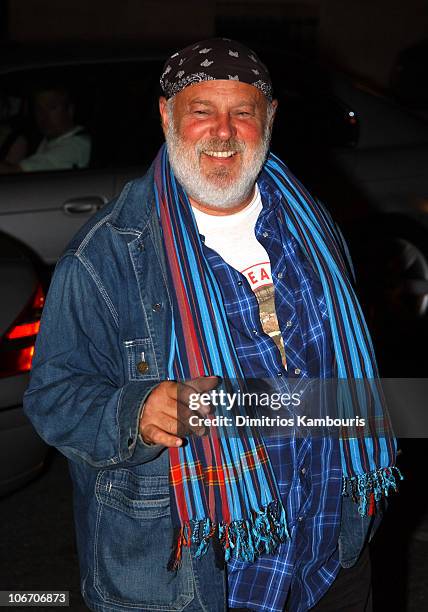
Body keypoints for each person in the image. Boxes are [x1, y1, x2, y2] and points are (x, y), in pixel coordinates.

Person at [23, 39, 400, 612]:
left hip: (331, 553)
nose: (222, 132)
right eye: (201, 110)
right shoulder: (107, 257)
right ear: (166, 115)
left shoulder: (313, 223)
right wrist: (136, 414)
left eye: (242, 112)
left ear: (269, 118)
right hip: (203, 575)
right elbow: (53, 396)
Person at [0, 85, 90, 174]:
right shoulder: (51, 138)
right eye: (39, 109)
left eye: (52, 107)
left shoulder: (76, 145)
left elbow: (14, 173)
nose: (43, 116)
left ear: (70, 110)